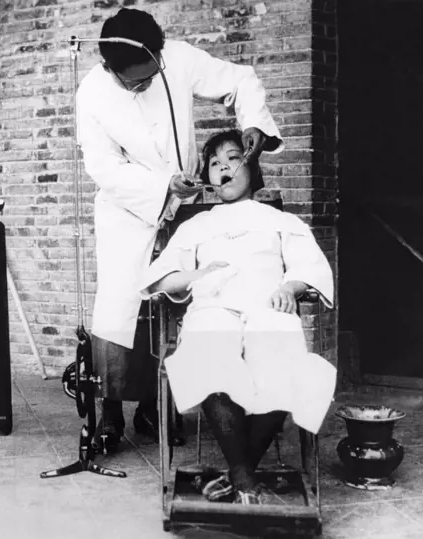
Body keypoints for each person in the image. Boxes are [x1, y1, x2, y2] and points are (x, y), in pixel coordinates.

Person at [76, 7, 284, 453]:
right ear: (111, 68)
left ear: (160, 54)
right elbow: (103, 167)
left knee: (173, 304)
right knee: (119, 308)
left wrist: (251, 122)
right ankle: (111, 414)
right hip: (128, 207)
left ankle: (156, 408)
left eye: (151, 76)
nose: (144, 85)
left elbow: (241, 79)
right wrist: (160, 184)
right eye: (134, 81)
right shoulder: (92, 93)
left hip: (181, 208)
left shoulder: (180, 58)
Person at [138, 129, 337, 504]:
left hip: (267, 304)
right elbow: (164, 274)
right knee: (208, 348)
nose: (223, 167)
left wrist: (289, 288)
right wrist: (196, 276)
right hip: (213, 305)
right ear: (209, 180)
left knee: (285, 358)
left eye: (232, 158)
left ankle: (238, 472)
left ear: (251, 166)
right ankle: (245, 476)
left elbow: (306, 266)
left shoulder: (282, 221)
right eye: (214, 163)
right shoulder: (196, 225)